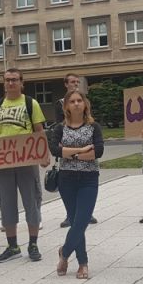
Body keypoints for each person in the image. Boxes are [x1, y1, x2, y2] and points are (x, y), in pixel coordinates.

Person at [0, 68, 48, 264]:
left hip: (27, 160)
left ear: (22, 82)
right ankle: (12, 246)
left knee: (31, 202)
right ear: (3, 83)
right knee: (7, 204)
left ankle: (33, 243)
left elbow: (39, 131)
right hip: (4, 163)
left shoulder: (31, 103)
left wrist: (44, 155)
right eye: (7, 80)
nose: (11, 83)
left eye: (14, 80)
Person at [48, 89, 104, 279]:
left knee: (81, 222)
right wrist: (83, 150)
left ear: (85, 104)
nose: (77, 103)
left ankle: (64, 253)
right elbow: (55, 149)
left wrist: (71, 153)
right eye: (72, 101)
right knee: (74, 220)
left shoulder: (94, 127)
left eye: (80, 100)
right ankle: (83, 263)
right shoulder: (59, 128)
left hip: (89, 179)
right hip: (67, 180)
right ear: (66, 107)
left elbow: (98, 152)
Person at [56, 73, 98, 228]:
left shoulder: (86, 108)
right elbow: (57, 146)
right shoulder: (60, 104)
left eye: (77, 82)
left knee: (84, 207)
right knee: (74, 214)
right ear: (66, 84)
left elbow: (97, 149)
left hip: (88, 170)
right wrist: (81, 151)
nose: (75, 84)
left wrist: (70, 153)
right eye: (72, 82)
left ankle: (87, 213)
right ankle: (70, 215)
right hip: (67, 171)